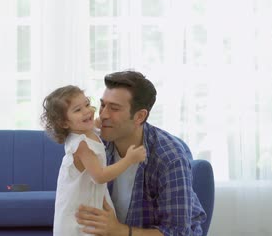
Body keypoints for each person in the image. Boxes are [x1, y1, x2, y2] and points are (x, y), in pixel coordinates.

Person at [75, 71, 207, 236]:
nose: (103, 115)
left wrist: (118, 230)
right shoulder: (96, 142)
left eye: (114, 108)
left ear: (139, 116)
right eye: (103, 105)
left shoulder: (169, 158)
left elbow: (177, 232)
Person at [41, 85, 147, 236]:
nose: (87, 111)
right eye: (78, 110)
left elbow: (97, 123)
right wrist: (128, 160)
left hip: (91, 198)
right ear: (64, 123)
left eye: (86, 104)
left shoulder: (86, 129)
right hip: (78, 211)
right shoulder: (82, 145)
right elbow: (100, 176)